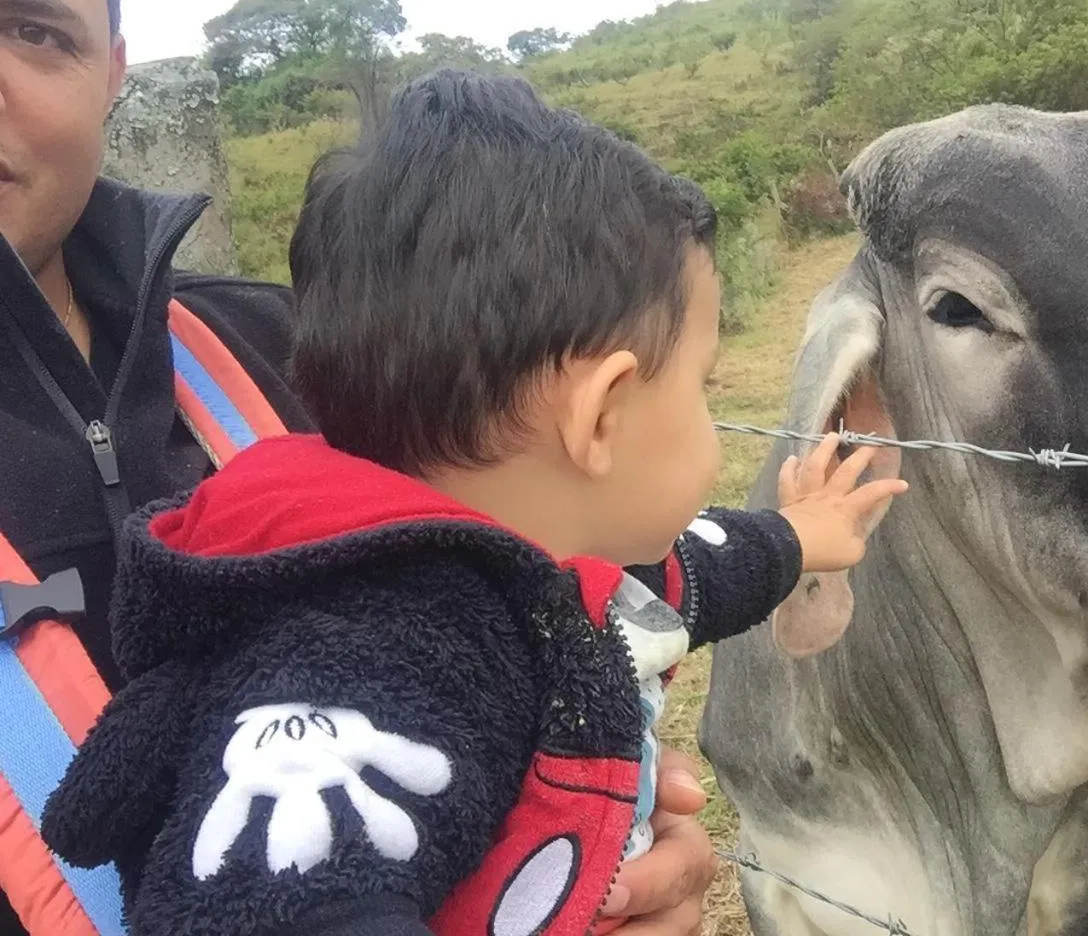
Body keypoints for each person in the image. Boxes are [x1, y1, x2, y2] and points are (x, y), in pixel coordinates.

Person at [41, 70, 908, 936]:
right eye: (702, 386)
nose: (712, 417)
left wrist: (799, 535)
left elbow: (687, 570)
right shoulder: (365, 662)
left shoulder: (537, 561)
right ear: (601, 414)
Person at [0, 0, 722, 933]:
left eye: (34, 30)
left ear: (111, 73)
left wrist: (596, 871)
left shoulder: (297, 350)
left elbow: (588, 545)